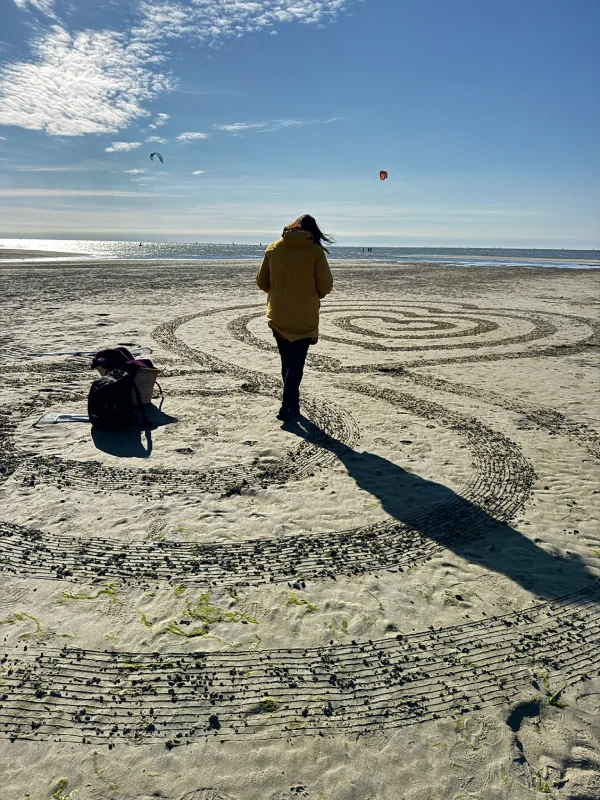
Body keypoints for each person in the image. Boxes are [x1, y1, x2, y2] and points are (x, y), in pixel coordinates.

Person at [256, 214, 334, 421]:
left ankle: (293, 406)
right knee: (297, 362)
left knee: (286, 360)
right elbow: (325, 287)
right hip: (304, 314)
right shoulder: (315, 251)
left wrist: (280, 292)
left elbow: (262, 282)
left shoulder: (273, 248)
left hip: (278, 312)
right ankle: (286, 406)